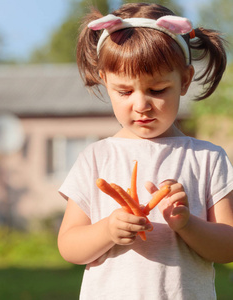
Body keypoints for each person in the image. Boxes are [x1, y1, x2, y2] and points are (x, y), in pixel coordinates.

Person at [58, 3, 233, 299]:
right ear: (105, 80)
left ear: (185, 80)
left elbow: (228, 246)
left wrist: (187, 224)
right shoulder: (96, 158)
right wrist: (107, 231)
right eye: (124, 91)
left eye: (157, 90)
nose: (141, 105)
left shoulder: (206, 157)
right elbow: (69, 245)